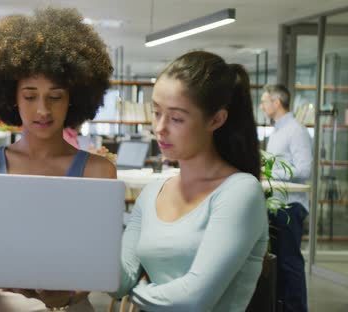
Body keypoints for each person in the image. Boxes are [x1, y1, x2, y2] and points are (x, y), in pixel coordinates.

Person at [0, 7, 116, 311]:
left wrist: (73, 294)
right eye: (30, 96)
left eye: (55, 96)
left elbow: (102, 263)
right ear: (11, 97)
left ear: (73, 98)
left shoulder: (99, 171)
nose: (43, 110)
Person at [111, 51, 268, 311]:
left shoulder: (240, 192)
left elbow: (193, 300)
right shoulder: (152, 193)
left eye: (176, 118)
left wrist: (137, 290)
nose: (159, 128)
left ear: (216, 119)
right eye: (156, 112)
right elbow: (121, 281)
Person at [261, 84, 312, 311]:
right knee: (279, 263)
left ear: (276, 102)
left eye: (264, 101)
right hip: (277, 203)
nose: (262, 105)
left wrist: (271, 172)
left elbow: (304, 169)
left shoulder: (295, 130)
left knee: (290, 263)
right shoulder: (278, 131)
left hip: (291, 205)